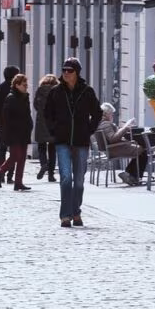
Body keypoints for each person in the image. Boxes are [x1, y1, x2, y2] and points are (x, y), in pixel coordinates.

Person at [45, 57, 101, 228]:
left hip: (81, 141)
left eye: (70, 70)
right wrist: (54, 130)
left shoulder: (87, 91)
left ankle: (76, 211)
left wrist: (89, 129)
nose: (66, 73)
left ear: (77, 73)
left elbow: (97, 113)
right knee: (65, 178)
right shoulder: (55, 91)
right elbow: (47, 114)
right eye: (64, 70)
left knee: (78, 181)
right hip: (62, 141)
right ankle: (65, 216)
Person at [0, 74, 34, 191]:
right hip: (14, 133)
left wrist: (30, 125)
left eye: (27, 85)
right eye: (24, 85)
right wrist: (9, 132)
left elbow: (27, 114)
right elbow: (6, 118)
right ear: (17, 85)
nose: (26, 87)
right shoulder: (11, 98)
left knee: (22, 158)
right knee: (16, 155)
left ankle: (18, 182)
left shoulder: (25, 97)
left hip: (24, 132)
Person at [95, 103, 146, 186]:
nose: (112, 116)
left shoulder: (101, 123)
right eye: (111, 114)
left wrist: (121, 129)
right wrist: (125, 129)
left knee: (141, 149)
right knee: (142, 150)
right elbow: (113, 138)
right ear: (106, 114)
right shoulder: (105, 124)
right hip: (115, 148)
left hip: (113, 148)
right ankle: (132, 175)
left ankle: (130, 174)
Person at [0, 65, 19, 172]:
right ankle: (10, 175)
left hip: (3, 122)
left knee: (2, 148)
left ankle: (0, 172)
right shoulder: (16, 89)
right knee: (13, 149)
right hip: (15, 123)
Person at [33, 74, 58, 182]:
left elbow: (35, 105)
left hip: (41, 122)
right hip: (53, 122)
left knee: (41, 147)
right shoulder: (57, 91)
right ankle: (51, 175)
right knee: (52, 149)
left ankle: (44, 164)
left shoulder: (40, 90)